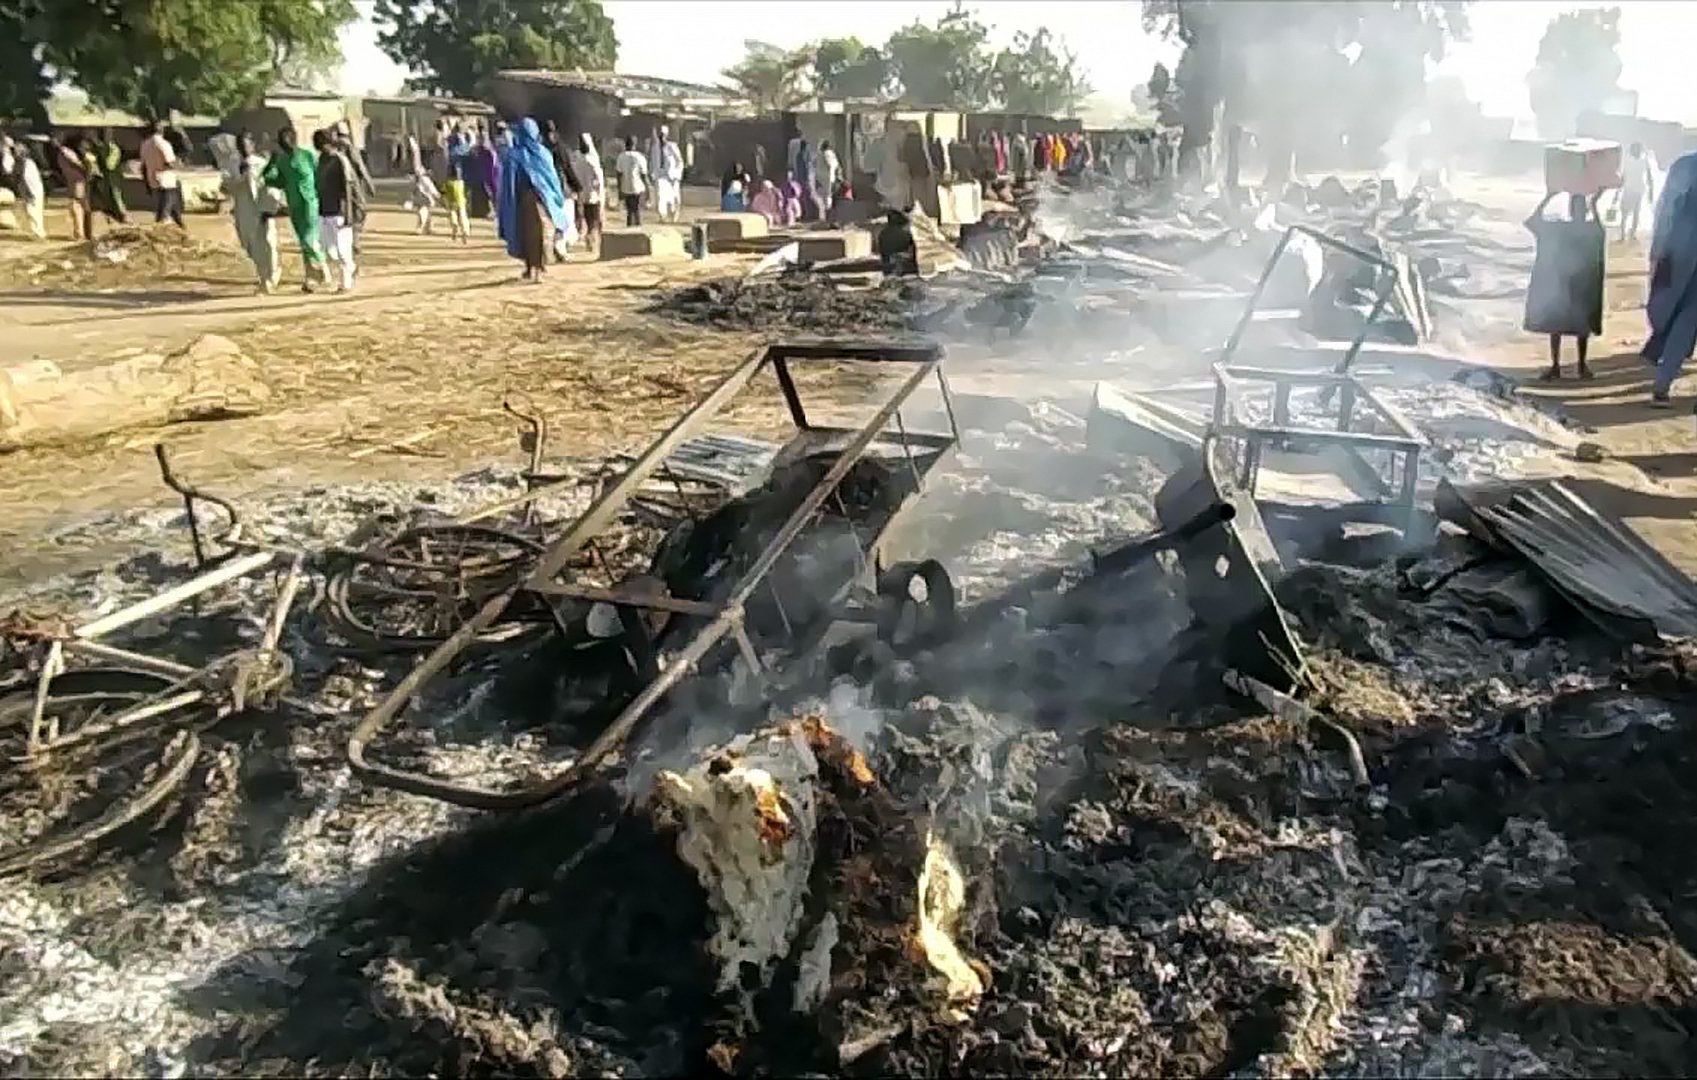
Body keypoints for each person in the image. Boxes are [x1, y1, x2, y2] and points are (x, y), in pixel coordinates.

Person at [1524, 190, 1604, 381]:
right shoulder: (1589, 229)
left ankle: (1559, 366)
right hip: (1580, 284)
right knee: (1576, 326)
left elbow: (1533, 222)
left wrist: (1548, 197)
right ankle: (1579, 367)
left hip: (1566, 283)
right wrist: (1594, 205)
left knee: (1560, 325)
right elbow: (1531, 222)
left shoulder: (1560, 229)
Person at [1644, 151, 1697, 407]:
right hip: (1681, 251)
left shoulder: (1686, 164)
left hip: (1680, 250)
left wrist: (1657, 250)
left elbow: (1666, 209)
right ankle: (1662, 381)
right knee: (1687, 319)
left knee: (1672, 313)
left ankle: (1662, 383)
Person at [496, 118, 573, 282]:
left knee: (525, 235)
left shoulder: (513, 155)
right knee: (542, 234)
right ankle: (538, 267)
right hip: (544, 201)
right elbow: (552, 179)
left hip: (522, 202)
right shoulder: (543, 153)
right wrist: (556, 197)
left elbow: (509, 183)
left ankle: (531, 267)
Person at [262, 127, 324, 291]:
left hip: (309, 202)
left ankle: (321, 270)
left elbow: (319, 177)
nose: (284, 144)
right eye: (281, 142)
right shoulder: (282, 160)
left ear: (293, 140)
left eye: (286, 140)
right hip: (294, 205)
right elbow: (273, 180)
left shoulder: (307, 156)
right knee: (303, 242)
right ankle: (311, 277)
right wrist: (271, 162)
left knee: (309, 239)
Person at [222, 131, 281, 293]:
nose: (243, 148)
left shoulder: (261, 164)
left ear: (253, 145)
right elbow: (227, 186)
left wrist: (270, 207)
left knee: (267, 244)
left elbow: (271, 185)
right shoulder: (234, 165)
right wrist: (238, 178)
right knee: (250, 245)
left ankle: (271, 279)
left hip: (261, 210)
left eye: (246, 144)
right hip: (243, 211)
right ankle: (264, 277)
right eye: (240, 145)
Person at [335, 121, 376, 256]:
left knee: (346, 213)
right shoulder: (350, 147)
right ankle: (355, 242)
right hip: (353, 185)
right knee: (359, 212)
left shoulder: (333, 149)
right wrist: (370, 184)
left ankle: (350, 241)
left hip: (339, 186)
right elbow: (360, 167)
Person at [139, 122, 184, 227]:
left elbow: (143, 166)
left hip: (153, 179)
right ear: (161, 131)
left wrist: (146, 182)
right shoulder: (164, 144)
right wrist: (179, 163)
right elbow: (169, 163)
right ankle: (163, 227)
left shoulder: (145, 145)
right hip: (166, 180)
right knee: (166, 208)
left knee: (168, 205)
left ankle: (180, 225)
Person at [3, 137, 47, 239]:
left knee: (33, 210)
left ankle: (38, 233)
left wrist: (27, 193)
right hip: (34, 187)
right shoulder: (24, 162)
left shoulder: (23, 163)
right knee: (34, 210)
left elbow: (22, 179)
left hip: (33, 188)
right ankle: (39, 232)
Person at [84, 129, 127, 228]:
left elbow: (110, 165)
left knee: (116, 199)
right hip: (101, 180)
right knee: (103, 202)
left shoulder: (113, 149)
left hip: (112, 180)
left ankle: (122, 218)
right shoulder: (96, 149)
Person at [1616, 141, 1657, 244]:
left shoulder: (1630, 161)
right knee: (1632, 213)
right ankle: (1629, 235)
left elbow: (1623, 178)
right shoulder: (1642, 161)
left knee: (1627, 213)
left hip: (1632, 189)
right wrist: (1651, 192)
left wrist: (1617, 193)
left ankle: (1625, 235)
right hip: (1636, 190)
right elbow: (1649, 179)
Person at [572, 133, 605, 253]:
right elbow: (599, 180)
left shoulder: (577, 160)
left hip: (582, 196)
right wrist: (601, 194)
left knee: (587, 219)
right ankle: (592, 241)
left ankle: (589, 240)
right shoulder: (592, 160)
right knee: (594, 221)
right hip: (593, 196)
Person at [54, 134, 91, 240]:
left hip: (77, 180)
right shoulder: (66, 152)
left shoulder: (65, 151)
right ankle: (83, 232)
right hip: (76, 180)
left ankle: (80, 233)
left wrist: (85, 170)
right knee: (79, 205)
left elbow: (77, 164)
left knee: (76, 205)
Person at [441, 130, 471, 242]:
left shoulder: (448, 152)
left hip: (448, 181)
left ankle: (454, 223)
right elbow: (468, 148)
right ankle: (465, 230)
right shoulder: (461, 151)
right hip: (459, 181)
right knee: (462, 208)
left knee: (452, 207)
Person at [650, 125, 683, 222]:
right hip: (660, 175)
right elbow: (652, 161)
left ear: (666, 135)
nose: (661, 137)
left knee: (675, 198)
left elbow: (679, 161)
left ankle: (674, 215)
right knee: (660, 196)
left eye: (662, 135)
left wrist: (677, 174)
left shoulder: (672, 146)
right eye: (659, 135)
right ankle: (662, 216)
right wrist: (652, 173)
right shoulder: (655, 147)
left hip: (672, 176)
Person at [615, 135, 648, 227]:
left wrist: (619, 189)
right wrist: (647, 187)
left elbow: (619, 174)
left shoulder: (621, 157)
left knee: (629, 210)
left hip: (626, 187)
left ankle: (629, 226)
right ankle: (637, 226)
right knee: (637, 209)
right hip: (638, 186)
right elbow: (643, 174)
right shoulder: (639, 157)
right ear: (634, 144)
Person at [411, 166, 441, 234]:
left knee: (424, 213)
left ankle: (426, 228)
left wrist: (436, 194)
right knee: (424, 213)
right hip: (423, 198)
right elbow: (430, 187)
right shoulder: (423, 179)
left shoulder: (420, 179)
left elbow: (430, 187)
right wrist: (436, 194)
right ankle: (423, 228)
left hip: (423, 198)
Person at [819, 140, 840, 215]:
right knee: (829, 194)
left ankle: (828, 211)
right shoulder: (831, 153)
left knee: (827, 194)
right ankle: (829, 210)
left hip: (827, 176)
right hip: (831, 176)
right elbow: (836, 164)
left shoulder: (826, 153)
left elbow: (830, 164)